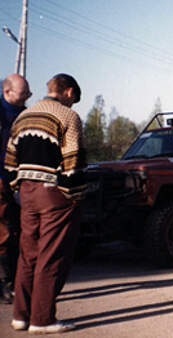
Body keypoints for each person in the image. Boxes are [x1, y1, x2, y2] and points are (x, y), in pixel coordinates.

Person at [5, 73, 87, 334]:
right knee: (51, 256)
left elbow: (9, 161)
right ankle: (42, 320)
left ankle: (21, 316)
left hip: (26, 193)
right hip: (54, 195)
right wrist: (73, 195)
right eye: (74, 100)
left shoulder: (23, 116)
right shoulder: (68, 117)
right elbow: (73, 163)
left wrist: (20, 187)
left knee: (27, 254)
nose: (73, 105)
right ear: (70, 93)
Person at [0, 74, 30, 304]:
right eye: (23, 93)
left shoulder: (23, 113)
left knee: (19, 230)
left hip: (19, 178)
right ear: (7, 92)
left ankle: (16, 282)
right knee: (3, 233)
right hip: (1, 178)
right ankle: (4, 285)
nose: (27, 97)